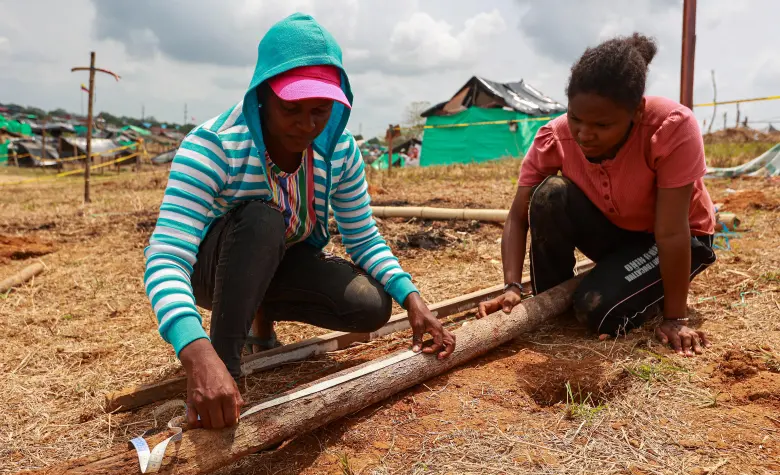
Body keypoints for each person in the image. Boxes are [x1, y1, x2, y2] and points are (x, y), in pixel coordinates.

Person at [144, 13, 455, 430]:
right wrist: (197, 353)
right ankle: (227, 364)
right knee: (261, 219)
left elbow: (363, 239)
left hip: (278, 261)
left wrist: (413, 299)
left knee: (369, 304)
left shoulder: (339, 153)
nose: (307, 125)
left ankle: (257, 318)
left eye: (321, 110)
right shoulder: (215, 147)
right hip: (215, 271)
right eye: (291, 108)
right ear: (262, 96)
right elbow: (166, 258)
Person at [478, 33, 716, 357]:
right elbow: (518, 217)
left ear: (637, 112)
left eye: (602, 125)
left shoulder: (670, 128)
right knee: (549, 195)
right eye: (575, 118)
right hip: (618, 233)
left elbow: (672, 231)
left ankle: (639, 292)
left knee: (598, 310)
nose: (584, 134)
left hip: (680, 240)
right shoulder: (556, 136)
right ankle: (554, 302)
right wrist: (511, 287)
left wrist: (675, 317)